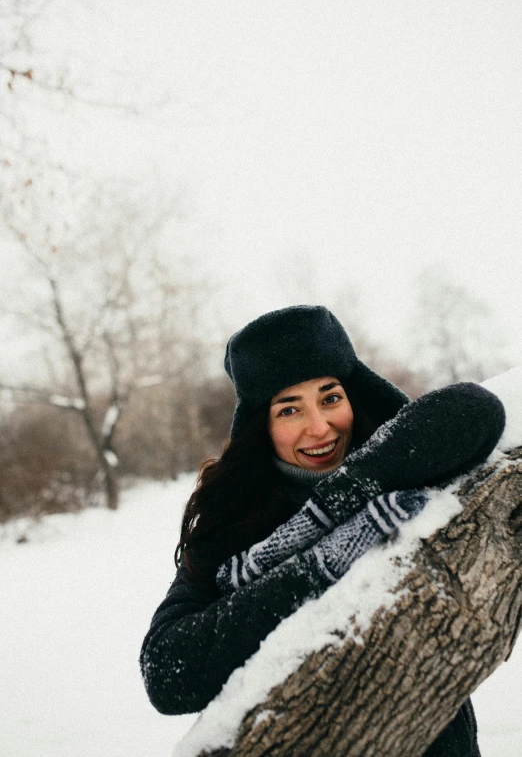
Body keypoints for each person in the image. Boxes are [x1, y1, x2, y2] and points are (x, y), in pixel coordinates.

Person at [140, 305, 505, 756]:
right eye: (289, 409)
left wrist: (340, 497)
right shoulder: (233, 520)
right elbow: (166, 671)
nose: (319, 427)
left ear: (354, 395)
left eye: (330, 398)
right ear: (262, 424)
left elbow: (478, 410)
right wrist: (319, 562)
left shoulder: (409, 461)